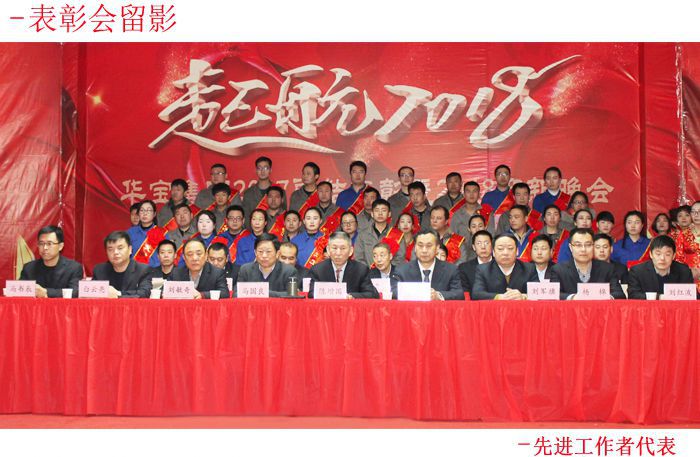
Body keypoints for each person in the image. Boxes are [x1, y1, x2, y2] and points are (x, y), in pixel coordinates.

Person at [550, 228, 626, 300]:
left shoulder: (607, 269)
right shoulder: (558, 270)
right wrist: (573, 297)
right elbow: (553, 294)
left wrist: (605, 296)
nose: (583, 249)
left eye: (588, 245)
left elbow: (619, 294)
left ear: (593, 246)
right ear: (570, 247)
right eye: (578, 245)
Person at [391, 228, 464, 300]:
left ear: (437, 248)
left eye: (429, 246)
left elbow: (459, 294)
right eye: (420, 245)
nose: (424, 250)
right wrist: (419, 293)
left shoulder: (451, 270)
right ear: (415, 248)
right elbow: (393, 292)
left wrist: (438, 296)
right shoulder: (402, 270)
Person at [308, 231, 379, 299]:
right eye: (334, 248)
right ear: (328, 250)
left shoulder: (361, 270)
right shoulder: (317, 270)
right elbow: (312, 294)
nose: (338, 253)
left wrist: (351, 296)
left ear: (351, 251)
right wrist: (336, 295)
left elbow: (372, 294)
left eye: (343, 248)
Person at [19, 225, 83, 298]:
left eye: (49, 244)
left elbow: (75, 292)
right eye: (41, 243)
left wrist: (46, 292)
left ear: (60, 246)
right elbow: (19, 291)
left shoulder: (73, 268)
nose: (45, 248)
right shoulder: (29, 268)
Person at [471, 233, 538, 300]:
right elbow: (476, 294)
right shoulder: (483, 269)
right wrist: (498, 297)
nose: (505, 253)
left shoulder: (529, 268)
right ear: (493, 252)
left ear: (517, 251)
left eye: (510, 248)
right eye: (500, 249)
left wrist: (524, 296)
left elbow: (538, 293)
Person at [627, 235, 694, 299]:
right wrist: (659, 297)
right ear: (651, 254)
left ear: (673, 256)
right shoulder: (637, 271)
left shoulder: (684, 271)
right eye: (658, 254)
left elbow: (693, 296)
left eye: (667, 254)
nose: (662, 258)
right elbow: (633, 295)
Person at [92, 231, 152, 298]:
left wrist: (118, 294)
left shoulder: (142, 270)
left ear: (130, 250)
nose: (115, 252)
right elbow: (90, 294)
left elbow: (144, 293)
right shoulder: (99, 270)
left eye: (120, 248)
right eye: (110, 249)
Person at [355, 199, 407, 267]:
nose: (380, 213)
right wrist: (369, 271)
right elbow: (359, 258)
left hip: (391, 272)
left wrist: (387, 269)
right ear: (372, 214)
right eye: (377, 210)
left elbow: (400, 258)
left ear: (389, 214)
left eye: (383, 210)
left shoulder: (397, 234)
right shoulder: (363, 234)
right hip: (368, 272)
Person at [242, 156, 287, 225]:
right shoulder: (248, 193)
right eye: (259, 168)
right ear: (256, 170)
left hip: (276, 229)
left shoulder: (280, 191)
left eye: (266, 168)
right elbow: (246, 218)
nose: (262, 171)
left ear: (270, 170)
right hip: (254, 230)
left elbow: (284, 214)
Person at [127, 200, 166, 267]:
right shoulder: (130, 232)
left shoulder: (162, 233)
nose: (145, 213)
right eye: (142, 210)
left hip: (156, 271)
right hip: (135, 271)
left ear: (154, 214)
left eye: (148, 210)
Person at [673, 201, 700, 292]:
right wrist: (688, 271)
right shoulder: (683, 234)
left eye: (699, 211)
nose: (696, 215)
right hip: (691, 278)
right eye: (693, 212)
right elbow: (677, 258)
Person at [457, 230, 493, 295]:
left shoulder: (501, 265)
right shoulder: (464, 268)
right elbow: (465, 293)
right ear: (474, 247)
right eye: (479, 243)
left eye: (486, 243)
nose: (483, 247)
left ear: (492, 246)